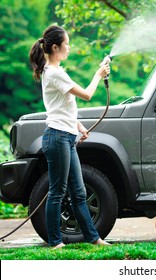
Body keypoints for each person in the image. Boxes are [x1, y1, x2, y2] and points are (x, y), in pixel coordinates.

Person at [29, 25, 111, 248]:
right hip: (57, 138)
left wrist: (79, 126)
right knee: (57, 192)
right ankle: (55, 242)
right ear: (55, 47)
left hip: (66, 136)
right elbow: (86, 95)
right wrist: (97, 75)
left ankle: (93, 238)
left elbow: (60, 107)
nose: (69, 47)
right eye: (66, 44)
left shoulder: (54, 72)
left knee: (79, 190)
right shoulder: (54, 73)